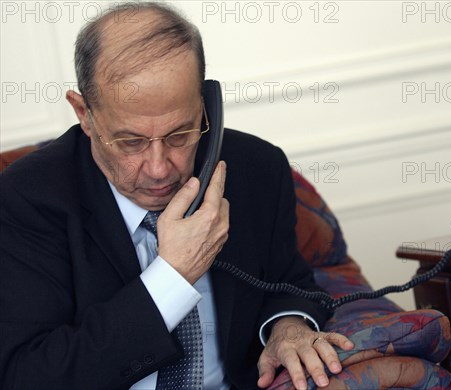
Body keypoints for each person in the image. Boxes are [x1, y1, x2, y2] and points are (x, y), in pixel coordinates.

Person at [0, 2, 353, 389]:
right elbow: (29, 375)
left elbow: (291, 281)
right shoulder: (26, 199)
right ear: (84, 113)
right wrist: (172, 277)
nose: (158, 168)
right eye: (129, 141)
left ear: (206, 107)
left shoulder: (257, 168)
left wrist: (287, 326)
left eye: (179, 135)